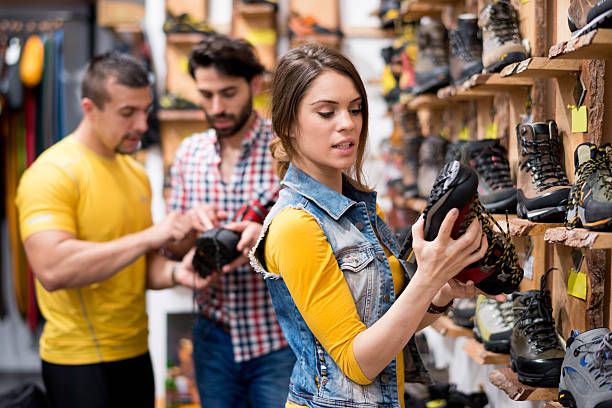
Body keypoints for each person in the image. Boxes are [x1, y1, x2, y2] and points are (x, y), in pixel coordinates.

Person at [249, 44, 506, 408]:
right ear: (286, 125)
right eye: (326, 112)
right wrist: (428, 276)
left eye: (355, 109)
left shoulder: (360, 209)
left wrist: (443, 290)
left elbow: (389, 324)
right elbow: (360, 362)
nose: (348, 123)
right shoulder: (295, 226)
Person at [15, 51, 208, 408]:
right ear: (90, 108)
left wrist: (177, 272)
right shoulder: (51, 174)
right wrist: (152, 236)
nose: (140, 124)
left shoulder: (134, 173)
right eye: (127, 113)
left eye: (145, 110)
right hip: (78, 359)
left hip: (135, 352)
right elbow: (53, 268)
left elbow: (138, 263)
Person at [167, 33, 295, 407]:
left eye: (228, 93)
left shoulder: (286, 146)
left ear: (254, 85)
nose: (217, 106)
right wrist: (187, 227)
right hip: (213, 335)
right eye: (206, 95)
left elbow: (322, 234)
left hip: (279, 333)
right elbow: (174, 249)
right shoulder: (189, 154)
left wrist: (265, 238)